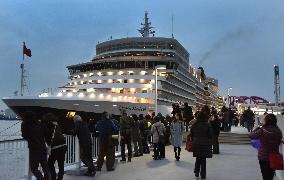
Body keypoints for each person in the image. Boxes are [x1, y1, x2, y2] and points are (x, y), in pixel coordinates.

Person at [249, 114, 282, 180]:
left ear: (266, 120)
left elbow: (251, 135)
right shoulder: (278, 131)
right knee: (271, 175)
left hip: (263, 156)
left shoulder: (262, 130)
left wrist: (257, 128)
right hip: (274, 156)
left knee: (265, 175)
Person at [21, 111, 50, 180]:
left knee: (34, 168)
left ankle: (40, 178)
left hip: (34, 148)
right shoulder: (40, 123)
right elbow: (46, 134)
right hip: (43, 147)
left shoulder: (25, 124)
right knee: (45, 166)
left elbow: (24, 135)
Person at [190, 106, 213, 179]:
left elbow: (191, 134)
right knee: (203, 160)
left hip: (196, 143)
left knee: (198, 158)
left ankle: (196, 172)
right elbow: (210, 135)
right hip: (205, 144)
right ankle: (203, 175)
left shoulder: (194, 124)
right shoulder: (207, 124)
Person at [42, 113, 67, 180]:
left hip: (55, 147)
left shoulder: (46, 125)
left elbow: (44, 135)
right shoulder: (57, 124)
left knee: (49, 164)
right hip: (63, 145)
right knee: (61, 163)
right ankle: (60, 178)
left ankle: (53, 177)